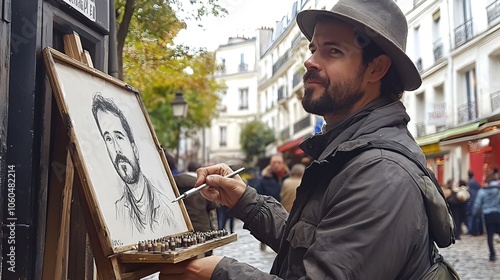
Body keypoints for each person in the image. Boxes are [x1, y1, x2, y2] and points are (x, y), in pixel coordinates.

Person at [162, 0, 455, 278]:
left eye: (334, 51)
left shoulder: (381, 173)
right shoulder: (347, 154)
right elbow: (310, 246)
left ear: (376, 68)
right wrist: (243, 199)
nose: (310, 61)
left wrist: (217, 273)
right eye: (314, 48)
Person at [91, 92, 175, 235]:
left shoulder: (167, 206)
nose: (116, 149)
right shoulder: (115, 212)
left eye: (119, 136)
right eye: (108, 139)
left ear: (134, 149)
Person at [174, 161, 217, 256]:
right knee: (202, 257)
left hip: (180, 226)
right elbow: (212, 205)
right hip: (201, 224)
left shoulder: (175, 181)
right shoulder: (204, 183)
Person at [255, 153, 289, 250]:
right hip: (269, 211)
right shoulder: (264, 179)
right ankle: (263, 241)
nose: (276, 165)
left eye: (279, 162)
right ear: (270, 164)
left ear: (283, 164)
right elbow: (258, 195)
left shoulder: (288, 177)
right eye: (274, 162)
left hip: (286, 210)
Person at [472, 173, 500, 261]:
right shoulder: (498, 191)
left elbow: (477, 204)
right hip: (497, 214)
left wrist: (475, 214)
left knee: (490, 236)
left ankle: (492, 255)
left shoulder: (482, 191)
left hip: (488, 216)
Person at [466, 170, 484, 236]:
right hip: (477, 200)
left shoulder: (468, 183)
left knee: (471, 216)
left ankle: (472, 230)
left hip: (471, 201)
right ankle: (479, 230)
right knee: (478, 216)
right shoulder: (476, 183)